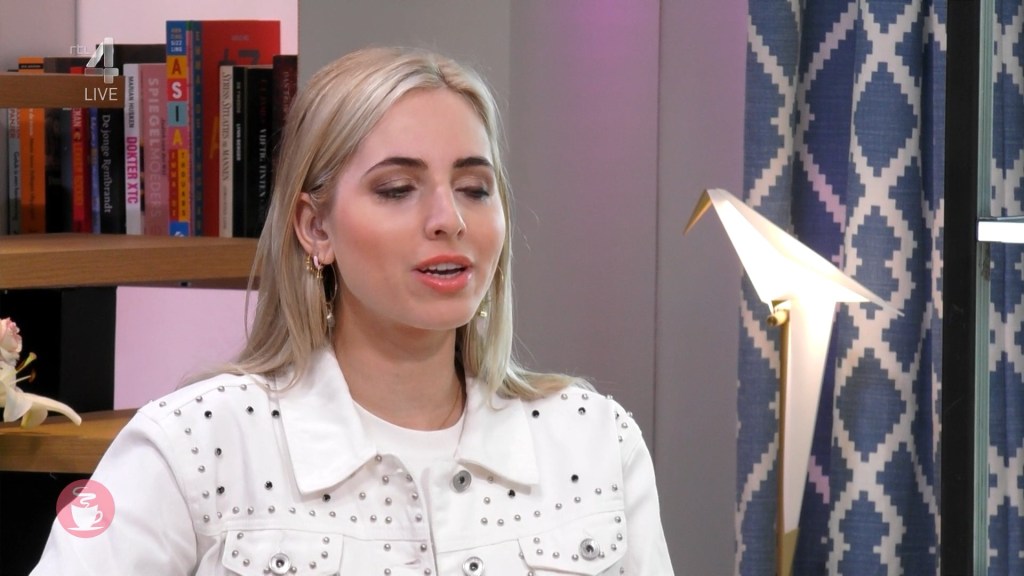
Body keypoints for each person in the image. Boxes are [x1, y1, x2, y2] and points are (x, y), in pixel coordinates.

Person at [31, 46, 674, 575]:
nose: (449, 219)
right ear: (316, 228)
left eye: (474, 189)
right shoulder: (195, 443)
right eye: (397, 189)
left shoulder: (595, 440)